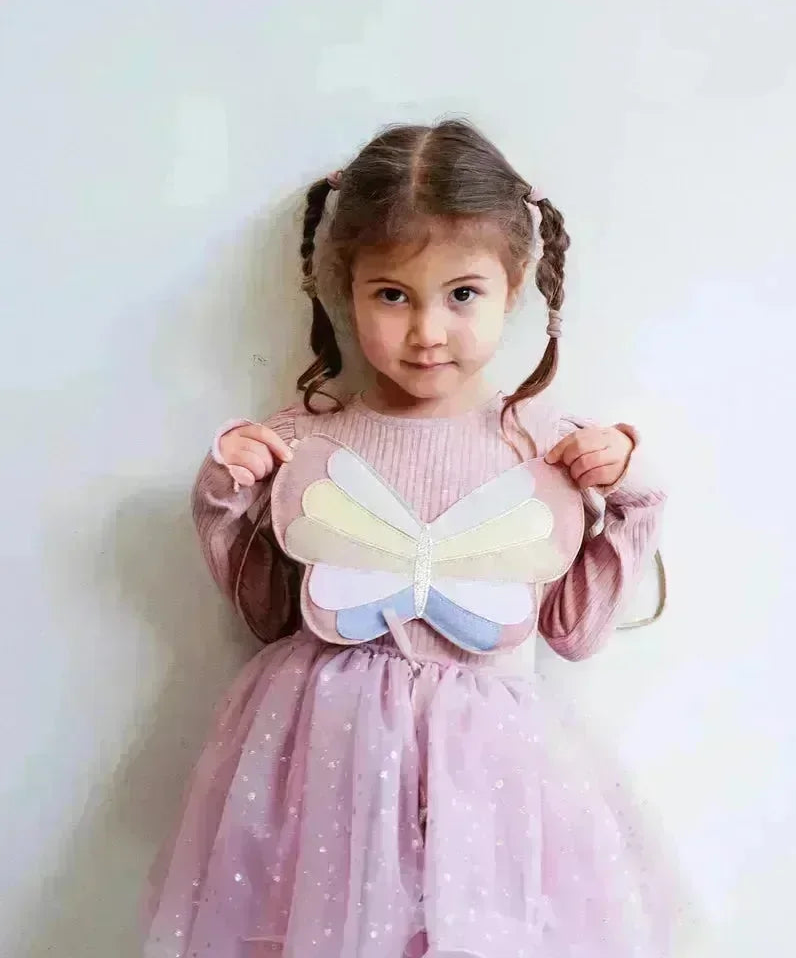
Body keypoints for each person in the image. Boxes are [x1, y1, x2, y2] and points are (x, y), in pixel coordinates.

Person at [143, 119, 669, 958]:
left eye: (462, 294)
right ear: (344, 289)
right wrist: (224, 498)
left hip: (485, 781)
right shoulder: (307, 443)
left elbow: (574, 631)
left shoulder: (547, 450)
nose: (427, 331)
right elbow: (268, 615)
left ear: (514, 285)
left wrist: (631, 497)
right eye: (392, 295)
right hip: (330, 769)